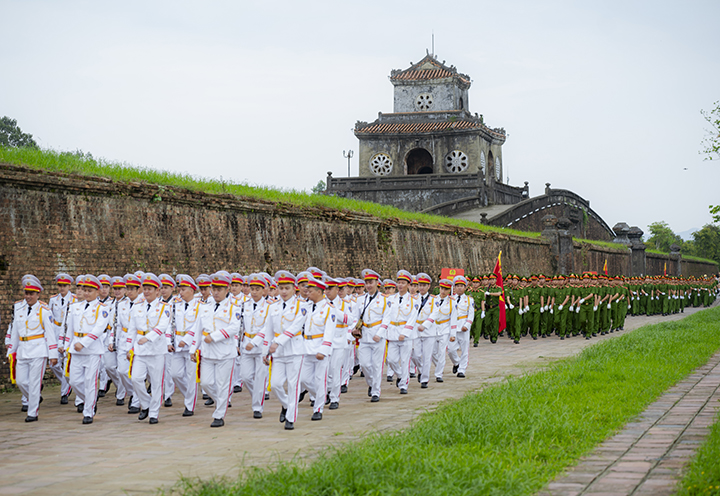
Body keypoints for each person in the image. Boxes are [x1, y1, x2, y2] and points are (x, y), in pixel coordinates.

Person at [187, 271, 242, 427]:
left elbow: (234, 328)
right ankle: (222, 402)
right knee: (205, 383)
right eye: (214, 289)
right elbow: (198, 329)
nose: (216, 292)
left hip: (225, 352)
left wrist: (215, 336)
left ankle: (219, 415)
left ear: (227, 290)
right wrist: (193, 349)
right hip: (207, 352)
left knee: (222, 384)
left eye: (220, 289)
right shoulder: (205, 307)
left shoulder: (234, 307)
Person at [6, 276, 58, 422]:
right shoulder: (19, 309)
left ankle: (32, 412)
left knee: (35, 382)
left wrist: (53, 354)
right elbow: (15, 331)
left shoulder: (44, 310)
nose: (28, 296)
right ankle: (35, 397)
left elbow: (50, 334)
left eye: (31, 293)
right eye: (26, 293)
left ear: (38, 294)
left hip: (38, 350)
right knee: (21, 381)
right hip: (23, 350)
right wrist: (11, 350)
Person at [262, 271, 306, 430]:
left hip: (294, 350)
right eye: (281, 288)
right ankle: (287, 405)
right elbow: (268, 330)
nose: (284, 291)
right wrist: (265, 351)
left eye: (287, 288)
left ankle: (291, 418)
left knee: (293, 385)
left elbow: (295, 328)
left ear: (294, 289)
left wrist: (278, 342)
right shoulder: (273, 307)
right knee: (275, 385)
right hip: (278, 353)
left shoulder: (302, 306)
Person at [65, 275, 112, 424]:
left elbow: (99, 329)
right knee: (74, 381)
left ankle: (88, 412)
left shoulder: (103, 308)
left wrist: (84, 343)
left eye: (90, 291)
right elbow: (69, 329)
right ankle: (90, 401)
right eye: (85, 290)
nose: (86, 293)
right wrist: (68, 346)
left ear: (97, 292)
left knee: (89, 381)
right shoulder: (74, 307)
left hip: (92, 349)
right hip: (76, 348)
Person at [127, 273, 171, 424]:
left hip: (156, 348)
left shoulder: (164, 307)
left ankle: (154, 413)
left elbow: (162, 326)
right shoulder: (137, 307)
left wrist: (149, 337)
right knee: (136, 378)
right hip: (139, 349)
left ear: (157, 291)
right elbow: (131, 328)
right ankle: (145, 404)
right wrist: (128, 347)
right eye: (144, 289)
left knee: (156, 382)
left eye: (150, 289)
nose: (146, 292)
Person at [352, 269, 391, 402]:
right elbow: (355, 317)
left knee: (376, 365)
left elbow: (387, 319)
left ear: (377, 283)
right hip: (364, 335)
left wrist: (380, 334)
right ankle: (371, 383)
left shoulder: (384, 300)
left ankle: (376, 391)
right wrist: (354, 329)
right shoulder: (360, 300)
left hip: (377, 335)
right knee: (364, 364)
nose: (368, 285)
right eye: (367, 283)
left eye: (371, 282)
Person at [299, 277, 334, 420]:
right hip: (306, 347)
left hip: (320, 348)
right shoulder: (306, 308)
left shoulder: (328, 309)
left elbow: (329, 332)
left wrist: (323, 350)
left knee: (320, 379)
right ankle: (322, 395)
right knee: (304, 379)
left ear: (319, 292)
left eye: (310, 290)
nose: (307, 292)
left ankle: (318, 408)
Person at [171, 274, 203, 417]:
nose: (181, 292)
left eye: (183, 289)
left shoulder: (200, 306)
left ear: (192, 290)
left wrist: (187, 338)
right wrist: (170, 341)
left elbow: (198, 326)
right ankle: (189, 394)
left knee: (191, 376)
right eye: (180, 289)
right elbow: (170, 323)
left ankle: (189, 405)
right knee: (175, 374)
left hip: (191, 345)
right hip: (177, 344)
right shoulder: (175, 304)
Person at [241, 273, 271, 418]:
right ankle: (257, 396)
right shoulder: (244, 305)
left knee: (260, 377)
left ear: (264, 290)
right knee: (245, 376)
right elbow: (240, 325)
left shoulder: (270, 306)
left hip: (260, 346)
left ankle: (257, 407)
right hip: (245, 343)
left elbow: (267, 327)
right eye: (252, 289)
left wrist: (255, 342)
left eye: (257, 289)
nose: (254, 292)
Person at [383, 270, 418, 394]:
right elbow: (386, 316)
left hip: (405, 334)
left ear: (408, 285)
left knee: (405, 360)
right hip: (392, 332)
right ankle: (400, 375)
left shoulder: (414, 300)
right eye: (399, 283)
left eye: (403, 283)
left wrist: (405, 332)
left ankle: (404, 384)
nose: (400, 285)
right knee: (391, 360)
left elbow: (413, 318)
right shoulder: (391, 299)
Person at [115, 274, 144, 413]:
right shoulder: (122, 304)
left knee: (135, 373)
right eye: (128, 289)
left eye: (133, 289)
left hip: (137, 339)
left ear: (139, 290)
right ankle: (133, 393)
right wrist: (114, 341)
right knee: (122, 371)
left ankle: (137, 400)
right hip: (123, 339)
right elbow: (118, 325)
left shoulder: (143, 303)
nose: (130, 291)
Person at [421, 278, 458, 383]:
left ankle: (439, 374)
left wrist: (453, 334)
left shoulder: (452, 302)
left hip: (444, 328)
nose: (443, 291)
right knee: (432, 352)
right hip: (433, 328)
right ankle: (439, 366)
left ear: (449, 290)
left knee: (442, 352)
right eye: (442, 288)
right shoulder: (432, 299)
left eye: (446, 289)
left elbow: (453, 319)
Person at [47, 273, 75, 404]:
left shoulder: (74, 299)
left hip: (69, 332)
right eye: (60, 286)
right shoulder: (53, 300)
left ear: (69, 286)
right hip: (56, 330)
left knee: (68, 362)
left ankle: (64, 392)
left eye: (64, 286)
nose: (62, 288)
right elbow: (50, 316)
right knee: (54, 364)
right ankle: (66, 382)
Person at [412, 273, 437, 389]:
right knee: (415, 355)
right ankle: (421, 370)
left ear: (428, 286)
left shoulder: (434, 300)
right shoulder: (413, 299)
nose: (421, 287)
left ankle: (424, 379)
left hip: (428, 331)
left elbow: (434, 314)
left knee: (427, 356)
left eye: (424, 285)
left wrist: (425, 325)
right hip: (416, 330)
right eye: (420, 285)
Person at [451, 275, 474, 378]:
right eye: (457, 286)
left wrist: (467, 325)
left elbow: (471, 314)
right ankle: (457, 363)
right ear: (454, 288)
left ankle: (462, 370)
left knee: (465, 350)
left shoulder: (469, 300)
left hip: (463, 326)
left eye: (461, 286)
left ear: (465, 287)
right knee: (451, 350)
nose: (459, 288)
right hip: (453, 327)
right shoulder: (450, 299)